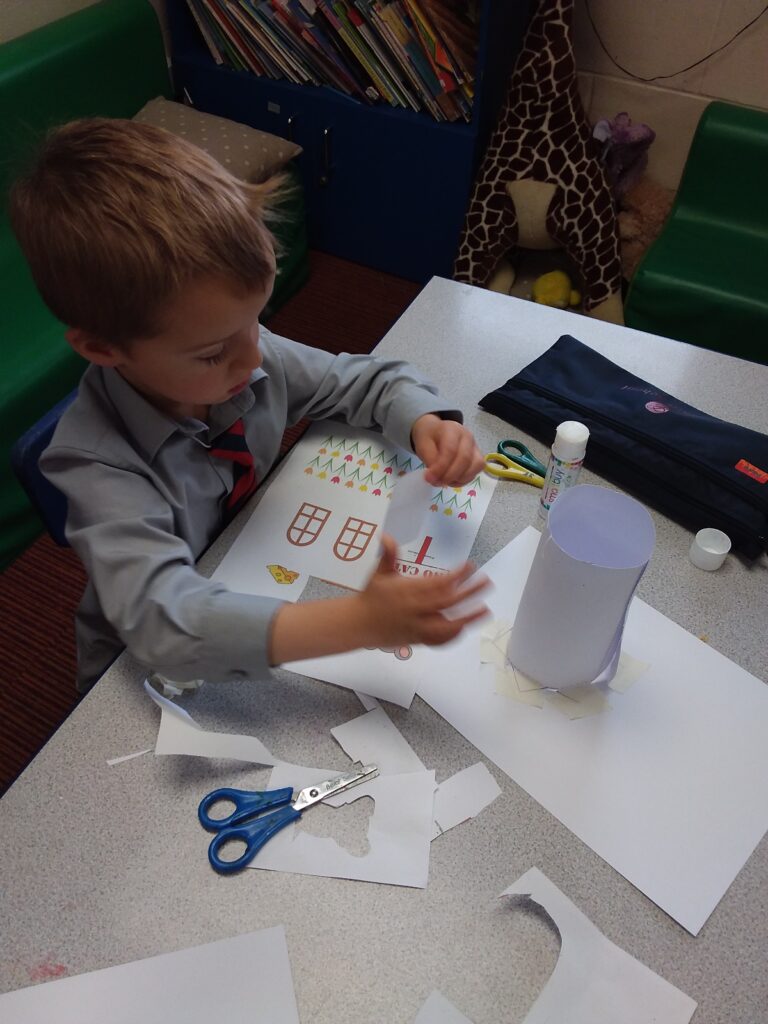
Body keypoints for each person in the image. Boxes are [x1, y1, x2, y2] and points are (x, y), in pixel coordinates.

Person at [9, 118, 489, 692]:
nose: (254, 357)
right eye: (213, 352)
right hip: (144, 669)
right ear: (102, 349)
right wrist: (357, 622)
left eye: (256, 321)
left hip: (249, 567)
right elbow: (167, 624)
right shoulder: (95, 462)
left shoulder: (240, 350)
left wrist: (425, 422)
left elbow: (363, 380)